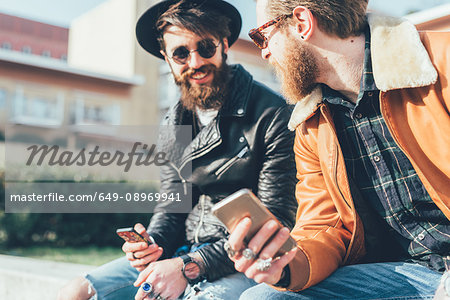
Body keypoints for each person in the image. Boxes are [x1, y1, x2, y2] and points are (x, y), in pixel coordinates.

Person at [58, 0, 298, 299]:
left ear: (224, 45)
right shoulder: (173, 122)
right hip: (181, 254)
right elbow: (171, 209)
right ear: (167, 58)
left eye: (206, 47)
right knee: (76, 291)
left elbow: (275, 222)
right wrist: (150, 244)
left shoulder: (273, 113)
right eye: (181, 53)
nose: (195, 62)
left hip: (242, 262)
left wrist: (188, 266)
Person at [225, 0, 450, 299]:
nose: (263, 51)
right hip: (405, 274)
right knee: (262, 297)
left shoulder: (441, 63)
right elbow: (323, 226)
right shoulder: (310, 123)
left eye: (262, 35)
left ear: (302, 23)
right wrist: (285, 265)